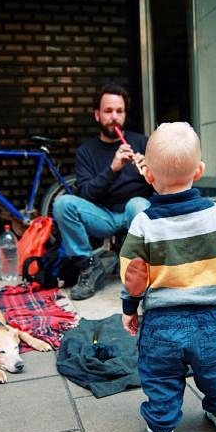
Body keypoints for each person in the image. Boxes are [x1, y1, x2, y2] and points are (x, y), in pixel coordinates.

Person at [120, 122, 216, 432]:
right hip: (208, 318)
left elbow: (134, 275)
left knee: (161, 379)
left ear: (148, 175)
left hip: (161, 324)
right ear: (200, 170)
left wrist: (129, 309)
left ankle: (162, 429)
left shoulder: (143, 223)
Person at [53, 83, 153, 300]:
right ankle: (89, 267)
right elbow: (86, 194)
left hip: (136, 212)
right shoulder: (86, 151)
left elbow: (163, 189)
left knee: (138, 203)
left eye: (119, 111)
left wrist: (150, 173)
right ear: (97, 115)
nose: (114, 117)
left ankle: (142, 271)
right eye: (108, 111)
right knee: (62, 204)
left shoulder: (142, 143)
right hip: (103, 215)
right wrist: (113, 169)